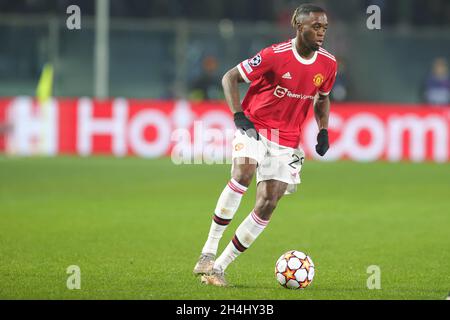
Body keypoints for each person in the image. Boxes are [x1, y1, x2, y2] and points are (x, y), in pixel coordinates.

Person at [193, 3, 338, 287]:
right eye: (316, 26)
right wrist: (238, 115)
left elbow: (322, 97)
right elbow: (230, 77)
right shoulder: (275, 55)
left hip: (287, 141)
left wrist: (323, 130)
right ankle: (208, 253)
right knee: (243, 174)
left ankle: (218, 269)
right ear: (299, 26)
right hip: (256, 126)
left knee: (268, 203)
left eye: (324, 28)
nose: (321, 32)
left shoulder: (328, 64)